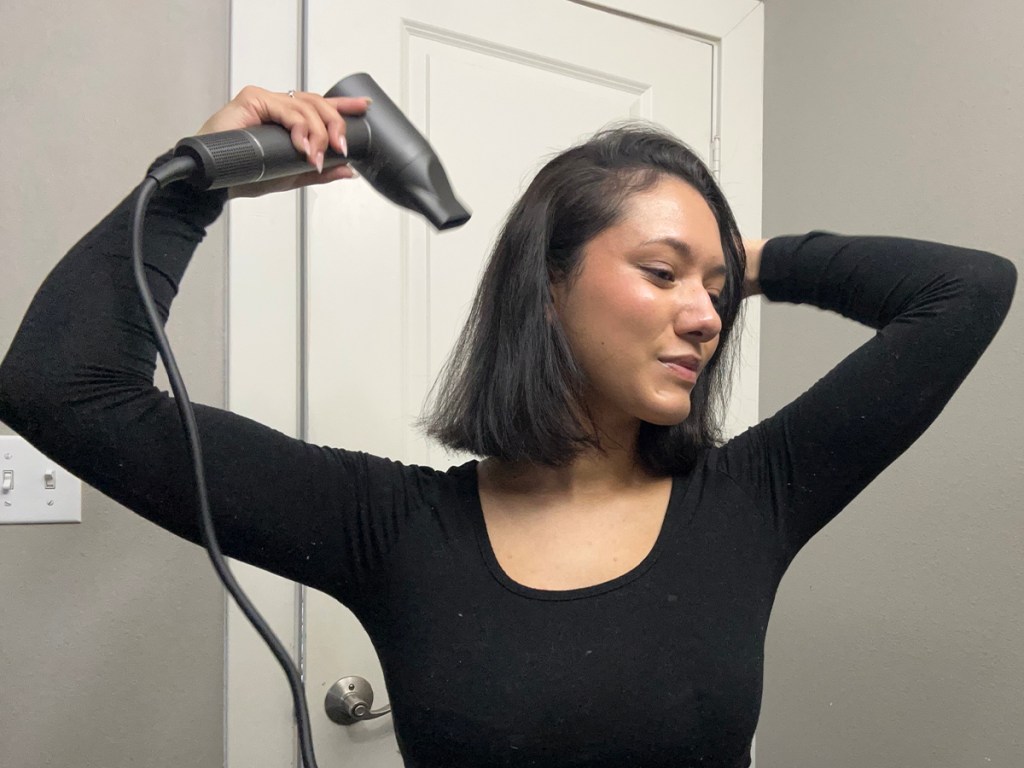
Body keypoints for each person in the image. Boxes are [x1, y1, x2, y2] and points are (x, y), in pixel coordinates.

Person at [0, 87, 1016, 768]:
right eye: (661, 273)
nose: (708, 314)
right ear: (546, 289)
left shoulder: (755, 494)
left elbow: (966, 290)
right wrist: (193, 182)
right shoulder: (386, 525)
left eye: (716, 290)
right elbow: (64, 388)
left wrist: (745, 256)